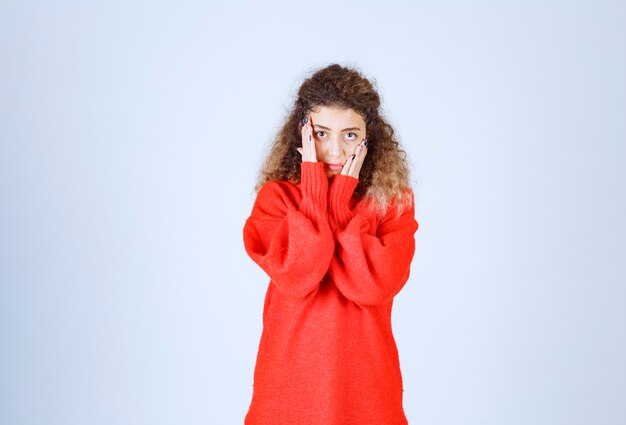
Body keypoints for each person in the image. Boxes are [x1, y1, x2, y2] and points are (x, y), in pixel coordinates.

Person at [242, 63, 419, 424]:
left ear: (371, 137)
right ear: (302, 135)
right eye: (321, 134)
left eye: (350, 135)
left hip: (366, 385)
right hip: (289, 383)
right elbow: (298, 276)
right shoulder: (277, 200)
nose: (335, 151)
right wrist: (313, 193)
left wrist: (339, 206)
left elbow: (374, 286)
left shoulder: (390, 203)